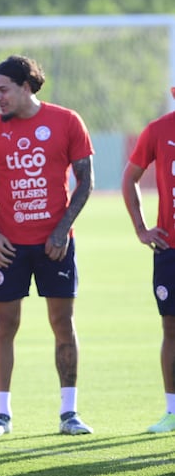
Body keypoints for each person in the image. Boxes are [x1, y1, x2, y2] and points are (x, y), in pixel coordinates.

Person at [0, 54, 95, 437]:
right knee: (5, 324)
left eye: (3, 89)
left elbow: (85, 182)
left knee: (62, 323)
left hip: (54, 246)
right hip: (9, 246)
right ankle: (1, 415)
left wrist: (61, 231)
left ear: (25, 86)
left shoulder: (67, 121)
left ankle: (69, 412)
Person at [122, 86, 175, 434]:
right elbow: (130, 178)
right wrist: (141, 229)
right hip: (170, 249)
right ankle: (172, 411)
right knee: (171, 329)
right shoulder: (158, 130)